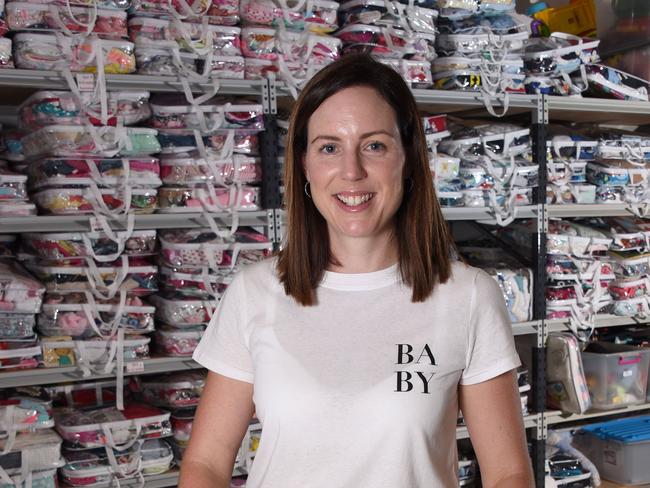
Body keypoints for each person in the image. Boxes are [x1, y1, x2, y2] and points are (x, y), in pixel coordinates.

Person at [179, 53, 535, 488]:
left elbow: (508, 474)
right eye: (329, 147)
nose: (352, 171)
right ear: (305, 165)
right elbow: (207, 464)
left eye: (374, 146)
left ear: (408, 160)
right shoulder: (254, 292)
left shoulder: (468, 295)